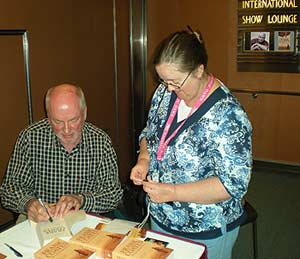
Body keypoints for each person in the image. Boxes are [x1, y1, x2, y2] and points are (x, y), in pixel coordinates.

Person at [130, 28, 252, 259]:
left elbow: (232, 185)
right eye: (163, 81)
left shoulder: (228, 115)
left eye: (175, 82)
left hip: (205, 228)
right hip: (161, 216)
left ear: (199, 70)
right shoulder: (165, 93)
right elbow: (150, 132)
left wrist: (174, 192)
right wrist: (144, 159)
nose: (169, 89)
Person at [0, 84, 123, 223]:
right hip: (40, 220)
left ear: (84, 113)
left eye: (73, 120)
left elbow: (114, 195)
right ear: (48, 116)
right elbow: (9, 189)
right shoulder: (30, 137)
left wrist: (80, 199)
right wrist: (29, 204)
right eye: (57, 121)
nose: (66, 130)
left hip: (84, 218)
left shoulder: (100, 141)